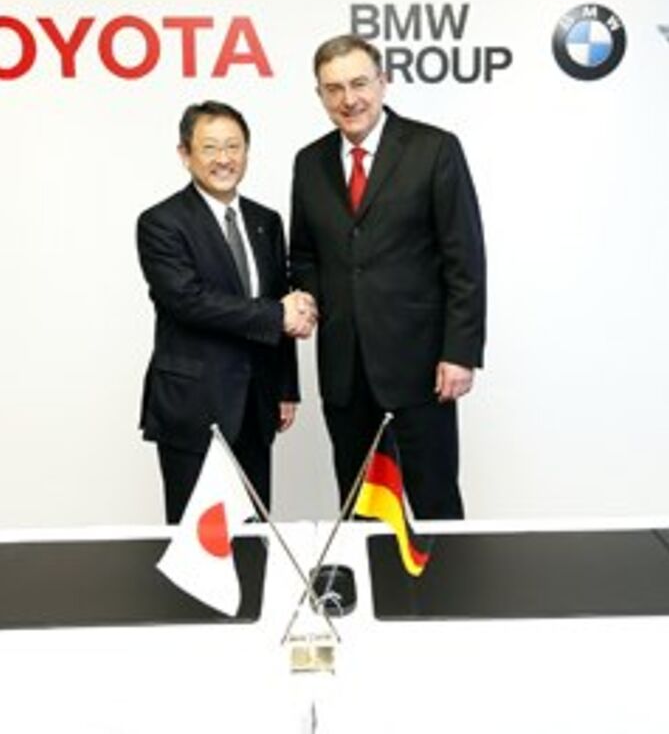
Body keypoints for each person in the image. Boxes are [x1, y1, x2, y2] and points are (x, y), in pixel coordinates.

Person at [290, 35, 486, 520]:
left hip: (421, 368)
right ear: (319, 95)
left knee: (435, 501)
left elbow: (464, 259)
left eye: (359, 83)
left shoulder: (434, 149)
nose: (348, 99)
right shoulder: (309, 162)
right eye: (333, 88)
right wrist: (309, 299)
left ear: (384, 81)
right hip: (344, 370)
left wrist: (460, 352)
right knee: (358, 507)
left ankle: (446, 577)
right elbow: (305, 254)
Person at [138, 100, 316, 523]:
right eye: (210, 147)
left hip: (257, 403)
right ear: (185, 154)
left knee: (256, 530)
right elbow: (188, 300)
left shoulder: (265, 221)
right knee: (197, 538)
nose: (224, 159)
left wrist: (286, 387)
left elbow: (279, 296)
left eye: (234, 147)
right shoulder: (161, 222)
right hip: (193, 404)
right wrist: (277, 314)